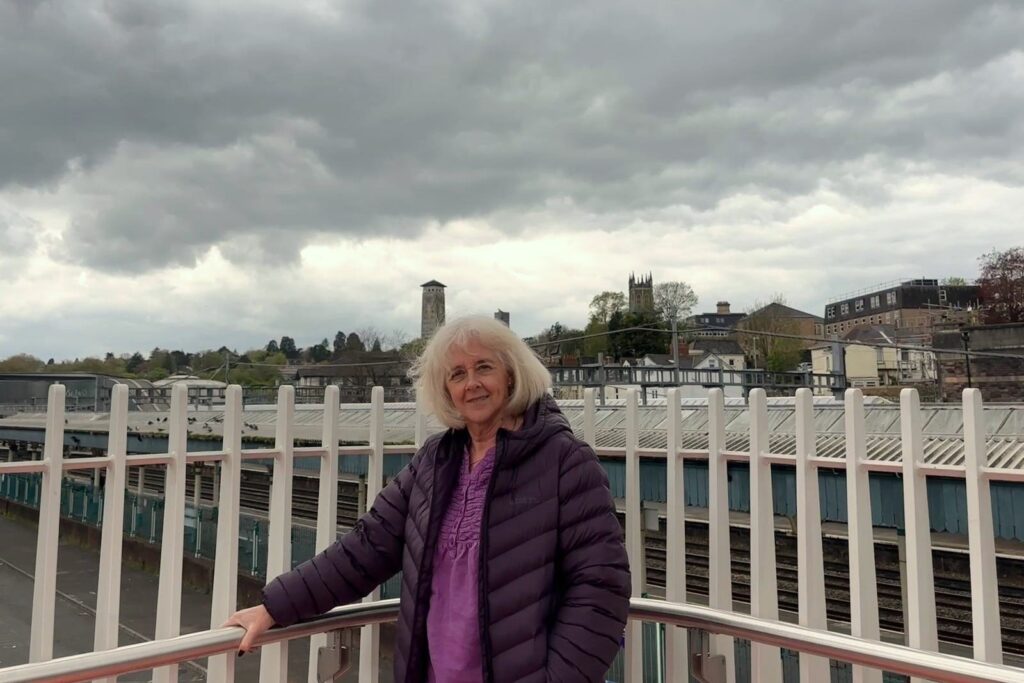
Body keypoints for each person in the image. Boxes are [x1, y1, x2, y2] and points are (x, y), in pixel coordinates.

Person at [225, 315, 630, 682]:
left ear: (511, 374)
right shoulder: (434, 463)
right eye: (457, 374)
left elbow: (600, 589)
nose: (471, 383)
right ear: (446, 390)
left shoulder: (565, 462)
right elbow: (365, 548)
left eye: (483, 367)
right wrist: (274, 607)